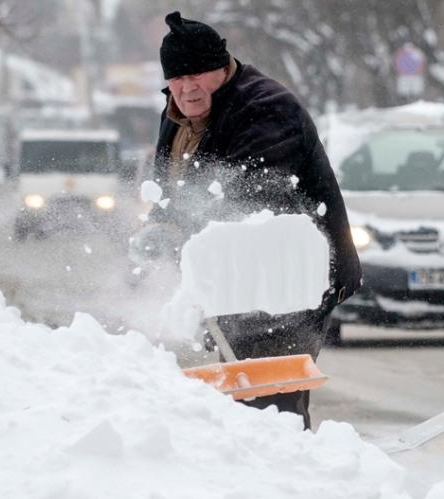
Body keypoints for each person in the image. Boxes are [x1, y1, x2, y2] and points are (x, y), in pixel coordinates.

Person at [147, 11, 362, 429]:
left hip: (284, 281)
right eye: (177, 77)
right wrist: (159, 223)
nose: (188, 86)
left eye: (199, 74)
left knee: (272, 408)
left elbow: (250, 201)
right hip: (232, 282)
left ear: (222, 67)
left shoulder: (265, 108)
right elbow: (172, 186)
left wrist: (182, 234)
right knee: (242, 401)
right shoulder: (178, 112)